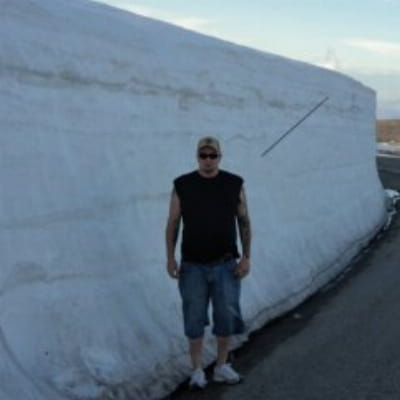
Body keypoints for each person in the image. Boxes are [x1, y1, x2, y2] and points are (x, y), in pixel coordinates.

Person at [165, 136, 252, 390]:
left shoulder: (234, 184)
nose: (208, 160)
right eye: (203, 155)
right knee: (194, 318)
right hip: (192, 266)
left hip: (226, 264)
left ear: (219, 157)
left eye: (212, 155)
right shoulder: (182, 185)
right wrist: (170, 257)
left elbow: (244, 221)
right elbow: (173, 223)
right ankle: (197, 370)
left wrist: (246, 257)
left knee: (226, 317)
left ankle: (222, 366)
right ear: (197, 157)